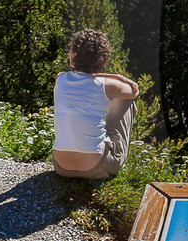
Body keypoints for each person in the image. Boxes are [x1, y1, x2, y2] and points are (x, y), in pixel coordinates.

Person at [53, 28, 139, 180]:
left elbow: (86, 76)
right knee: (127, 101)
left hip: (61, 167)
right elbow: (134, 92)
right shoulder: (109, 85)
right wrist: (119, 77)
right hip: (95, 168)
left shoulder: (60, 79)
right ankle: (112, 151)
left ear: (75, 54)